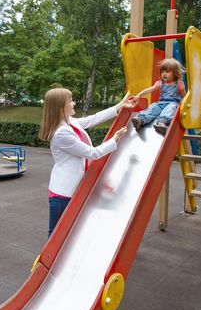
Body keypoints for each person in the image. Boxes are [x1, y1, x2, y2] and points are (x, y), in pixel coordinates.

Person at [39, 88, 137, 237]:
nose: (74, 103)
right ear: (61, 108)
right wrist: (115, 138)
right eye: (70, 101)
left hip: (72, 187)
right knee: (55, 234)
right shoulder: (61, 134)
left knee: (65, 231)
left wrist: (120, 105)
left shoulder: (69, 122)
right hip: (63, 192)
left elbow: (93, 119)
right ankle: (48, 261)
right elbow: (93, 153)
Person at [132, 58, 186, 134]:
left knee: (170, 108)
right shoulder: (160, 83)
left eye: (167, 72)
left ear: (174, 73)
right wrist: (139, 95)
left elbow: (184, 96)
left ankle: (161, 123)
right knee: (154, 107)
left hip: (173, 103)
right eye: (162, 72)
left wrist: (182, 102)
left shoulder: (179, 83)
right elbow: (150, 89)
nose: (164, 74)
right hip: (161, 103)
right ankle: (141, 120)